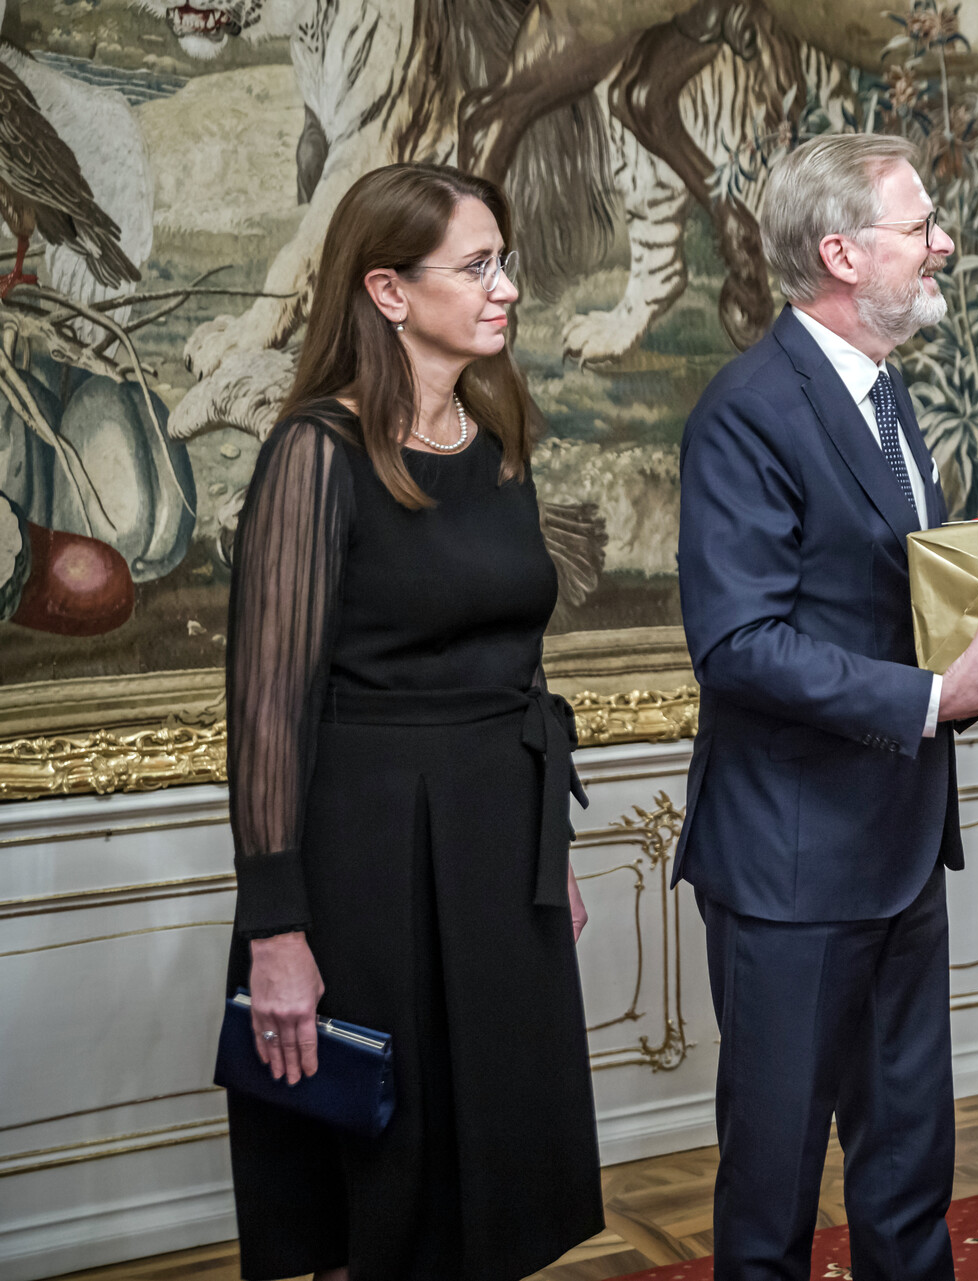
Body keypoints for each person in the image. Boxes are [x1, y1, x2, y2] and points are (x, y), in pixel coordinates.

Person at [672, 133, 978, 1281]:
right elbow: (738, 645)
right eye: (921, 224)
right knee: (774, 1198)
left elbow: (877, 593)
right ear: (842, 254)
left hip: (898, 851)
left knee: (908, 1177)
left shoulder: (885, 394)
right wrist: (937, 696)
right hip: (790, 870)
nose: (945, 244)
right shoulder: (748, 408)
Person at [223, 162, 603, 1280]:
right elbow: (266, 708)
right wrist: (276, 933)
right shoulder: (315, 453)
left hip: (500, 852)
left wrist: (550, 847)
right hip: (369, 865)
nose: (507, 288)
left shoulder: (498, 439)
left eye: (504, 263)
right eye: (477, 267)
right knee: (379, 1197)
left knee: (497, 1183)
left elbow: (516, 662)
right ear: (388, 290)